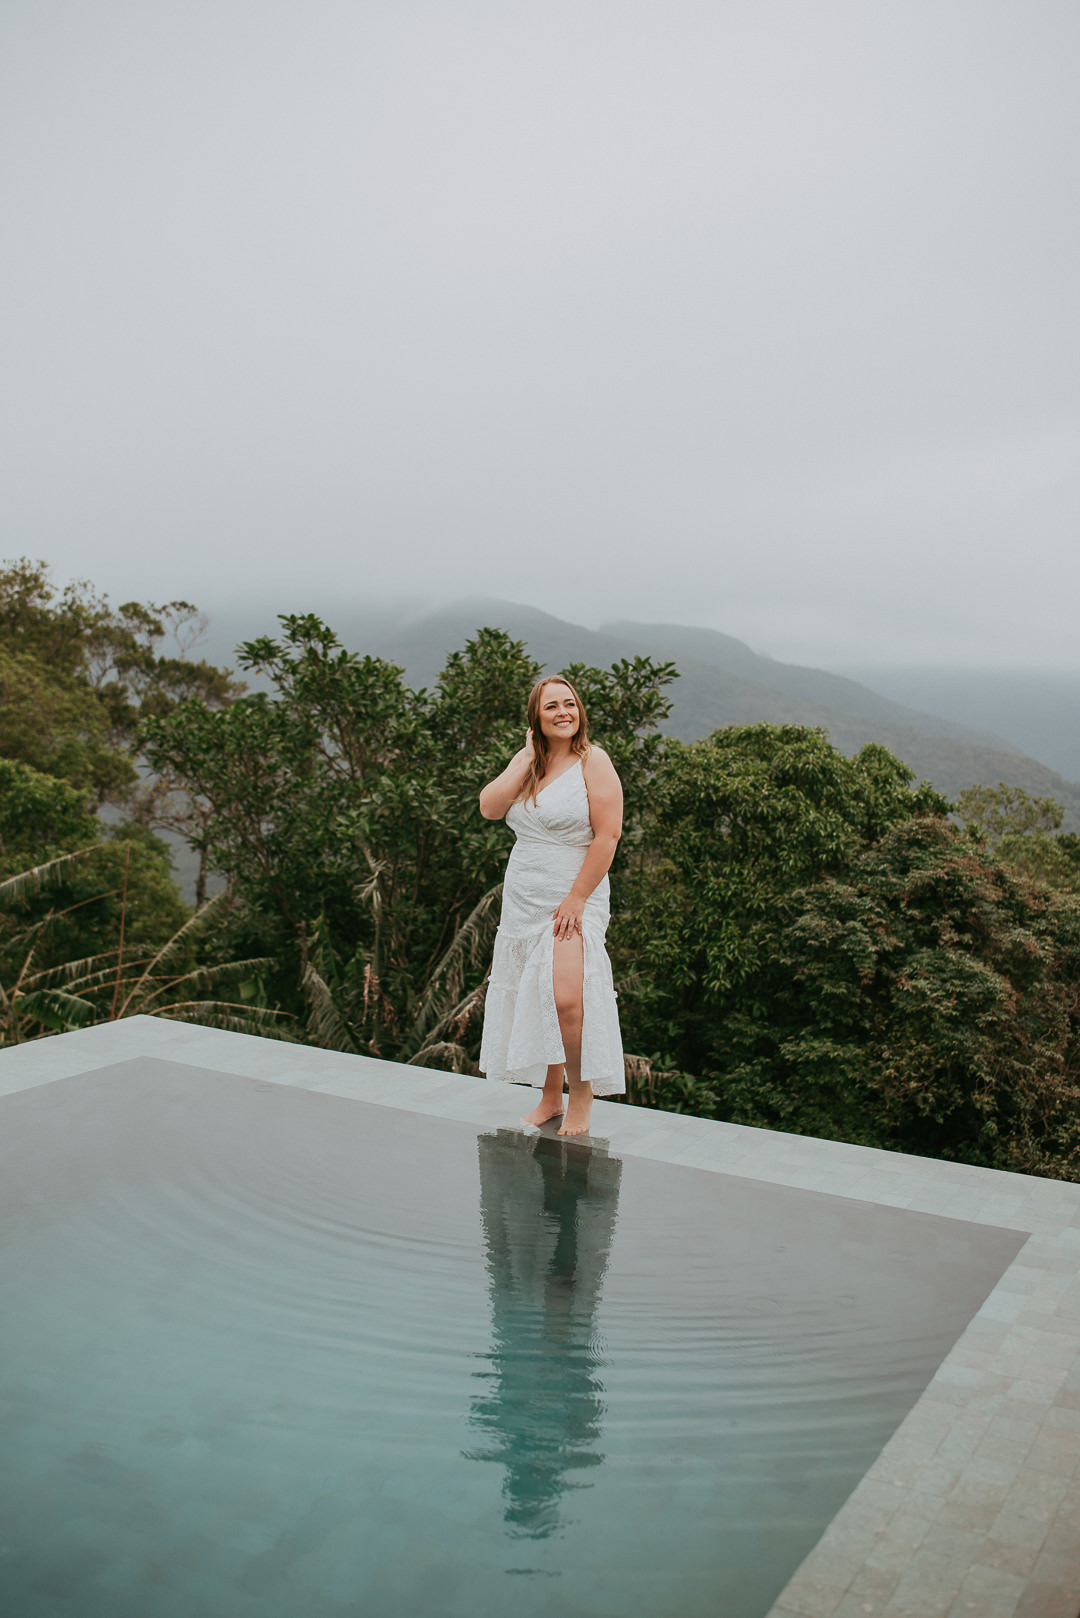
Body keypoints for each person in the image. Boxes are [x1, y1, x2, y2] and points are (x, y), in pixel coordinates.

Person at [478, 675, 625, 1135]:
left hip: (574, 897)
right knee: (535, 993)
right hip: (525, 898)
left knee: (567, 999)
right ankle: (549, 1097)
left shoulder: (593, 761)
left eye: (570, 704)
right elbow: (489, 807)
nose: (563, 712)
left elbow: (609, 835)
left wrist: (578, 898)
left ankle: (579, 1096)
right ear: (536, 719)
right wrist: (523, 757)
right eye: (551, 707)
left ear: (579, 711)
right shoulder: (530, 763)